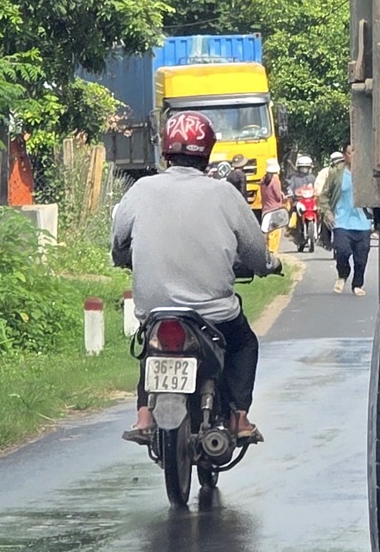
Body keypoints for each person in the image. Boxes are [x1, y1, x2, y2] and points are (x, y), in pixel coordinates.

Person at [111, 111, 273, 445]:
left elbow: (118, 241)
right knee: (244, 344)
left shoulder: (142, 189)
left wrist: (122, 258)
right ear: (208, 151)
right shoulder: (225, 194)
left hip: (155, 310)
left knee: (151, 344)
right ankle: (239, 418)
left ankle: (144, 417)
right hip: (213, 316)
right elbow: (256, 250)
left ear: (166, 151)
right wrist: (268, 264)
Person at [318, 145, 373, 295]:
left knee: (361, 257)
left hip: (363, 222)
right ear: (345, 155)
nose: (353, 156)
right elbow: (323, 196)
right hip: (341, 221)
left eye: (356, 152)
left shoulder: (367, 173)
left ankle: (357, 285)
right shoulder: (336, 173)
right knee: (342, 250)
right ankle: (343, 274)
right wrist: (328, 213)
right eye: (350, 153)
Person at [259, 159, 289, 251]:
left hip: (265, 210)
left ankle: (268, 252)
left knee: (268, 233)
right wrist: (282, 195)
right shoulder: (275, 180)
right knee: (275, 232)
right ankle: (273, 254)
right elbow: (277, 196)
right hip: (275, 209)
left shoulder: (263, 180)